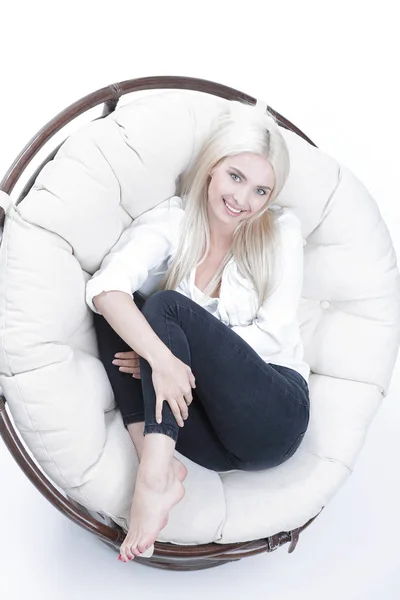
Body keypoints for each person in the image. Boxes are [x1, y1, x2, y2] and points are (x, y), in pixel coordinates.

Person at [86, 101, 310, 562]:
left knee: (168, 309)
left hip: (274, 415)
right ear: (211, 167)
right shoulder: (173, 222)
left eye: (260, 190)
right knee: (123, 315)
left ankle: (149, 481)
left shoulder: (282, 232)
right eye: (235, 177)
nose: (243, 200)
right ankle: (163, 472)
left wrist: (175, 354)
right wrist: (161, 355)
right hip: (210, 435)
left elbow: (273, 335)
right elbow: (106, 289)